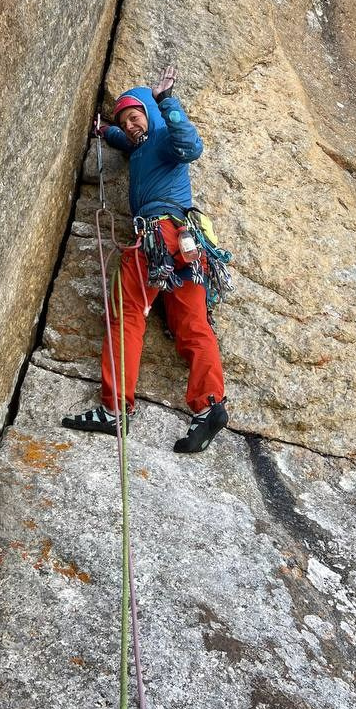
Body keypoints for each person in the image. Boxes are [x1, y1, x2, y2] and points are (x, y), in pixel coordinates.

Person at [62, 65, 229, 454]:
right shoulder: (139, 145)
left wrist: (165, 100)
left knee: (128, 314)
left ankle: (116, 408)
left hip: (158, 234)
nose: (130, 124)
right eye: (125, 119)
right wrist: (106, 130)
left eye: (135, 116)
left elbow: (192, 146)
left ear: (150, 116)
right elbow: (123, 138)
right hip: (187, 244)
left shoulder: (166, 141)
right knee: (192, 324)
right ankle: (210, 406)